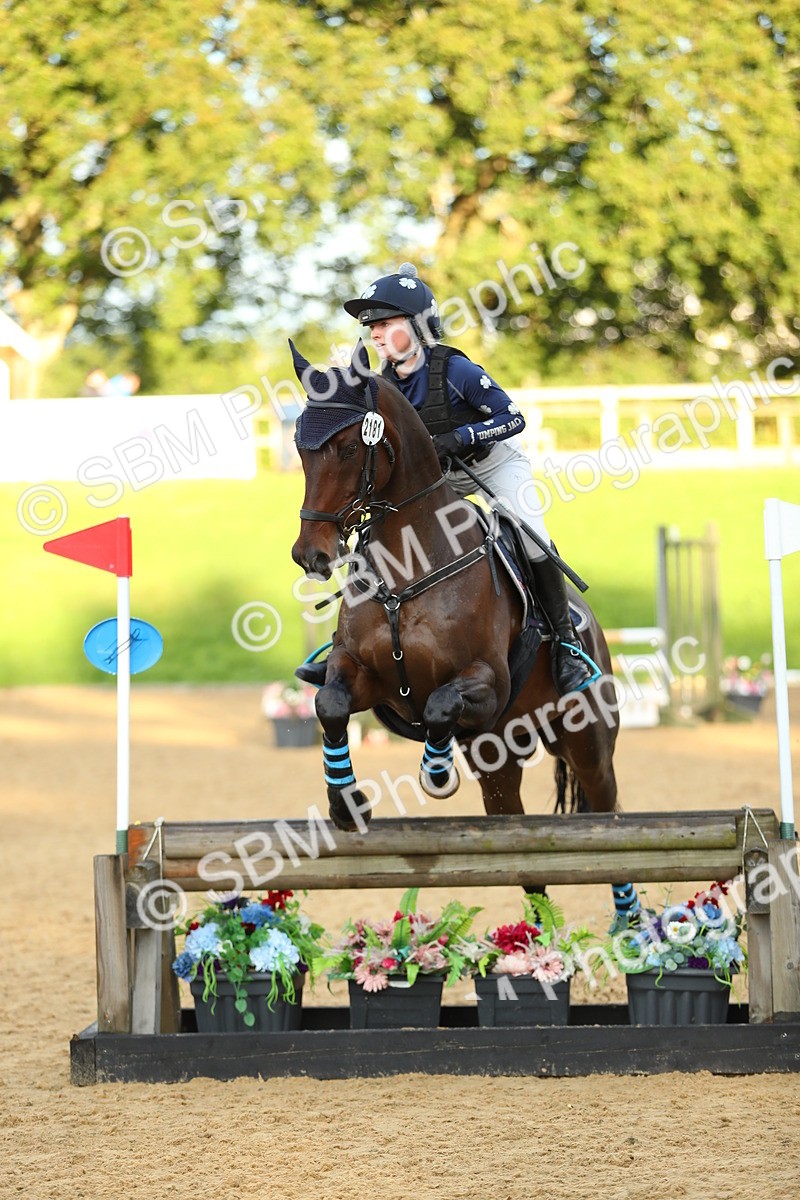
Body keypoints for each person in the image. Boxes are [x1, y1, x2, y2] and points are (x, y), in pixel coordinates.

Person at [296, 262, 592, 696]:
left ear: (417, 325)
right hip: (437, 479)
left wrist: (463, 435)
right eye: (370, 327)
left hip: (491, 464)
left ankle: (565, 643)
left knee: (531, 535)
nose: (375, 334)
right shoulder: (378, 386)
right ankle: (348, 646)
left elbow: (513, 418)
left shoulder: (456, 371)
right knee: (380, 537)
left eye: (385, 323)